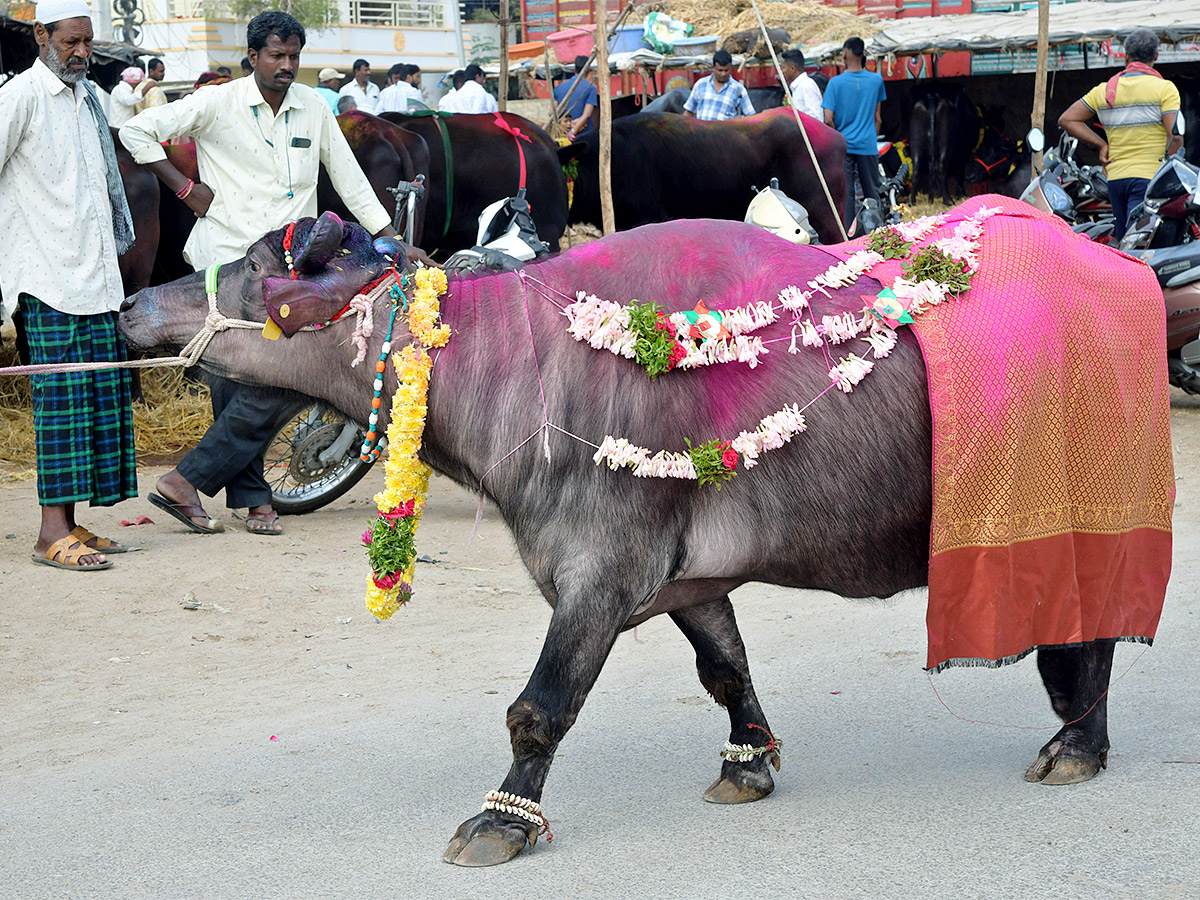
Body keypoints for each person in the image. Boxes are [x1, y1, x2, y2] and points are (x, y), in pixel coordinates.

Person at [120, 11, 403, 537]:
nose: (287, 66)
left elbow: (348, 174)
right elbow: (136, 130)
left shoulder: (313, 109)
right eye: (276, 55)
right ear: (252, 57)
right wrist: (185, 189)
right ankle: (239, 496)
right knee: (247, 382)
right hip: (229, 267)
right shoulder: (217, 102)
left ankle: (202, 487)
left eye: (294, 56)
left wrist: (390, 233)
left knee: (271, 381)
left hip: (293, 271)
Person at [0, 0, 138, 570]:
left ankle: (72, 522)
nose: (82, 53)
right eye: (71, 42)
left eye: (88, 43)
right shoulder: (20, 98)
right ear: (41, 35)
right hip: (47, 276)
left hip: (96, 277)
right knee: (61, 407)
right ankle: (48, 534)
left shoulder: (87, 98)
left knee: (96, 403)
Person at [1059, 29, 1182, 240]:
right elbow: (1175, 136)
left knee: (1126, 243)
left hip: (1116, 180)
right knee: (1140, 245)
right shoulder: (1165, 89)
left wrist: (1101, 145)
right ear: (1156, 57)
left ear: (1125, 56)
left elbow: (1067, 119)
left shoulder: (1103, 90)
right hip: (1149, 180)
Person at [822, 36, 886, 228]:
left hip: (844, 146)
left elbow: (827, 119)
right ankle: (879, 232)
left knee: (846, 194)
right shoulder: (876, 80)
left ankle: (848, 235)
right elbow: (878, 118)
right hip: (867, 145)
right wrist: (869, 137)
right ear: (863, 53)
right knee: (872, 192)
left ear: (845, 54)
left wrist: (838, 138)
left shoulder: (835, 83)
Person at [683, 50, 755, 121]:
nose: (723, 74)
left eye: (726, 70)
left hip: (726, 132)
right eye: (720, 70)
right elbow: (689, 112)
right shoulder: (700, 85)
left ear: (731, 68)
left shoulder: (739, 89)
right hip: (702, 131)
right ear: (713, 68)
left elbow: (751, 117)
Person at [554, 55, 598, 141]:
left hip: (562, 135)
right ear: (589, 71)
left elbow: (552, 113)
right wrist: (573, 131)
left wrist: (566, 125)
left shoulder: (558, 87)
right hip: (583, 136)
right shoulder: (590, 88)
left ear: (574, 70)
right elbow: (587, 115)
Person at [780, 48, 822, 121]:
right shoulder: (797, 87)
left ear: (792, 68)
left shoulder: (806, 85)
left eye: (783, 68)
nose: (782, 71)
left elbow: (816, 118)